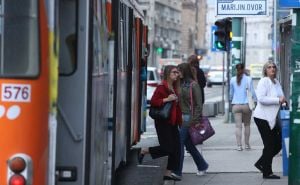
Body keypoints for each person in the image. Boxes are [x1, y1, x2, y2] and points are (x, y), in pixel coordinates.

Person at [138, 65, 182, 181]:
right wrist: (167, 99)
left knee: (177, 149)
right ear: (168, 74)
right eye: (174, 72)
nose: (176, 75)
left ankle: (168, 172)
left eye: (177, 73)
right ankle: (145, 150)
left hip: (173, 122)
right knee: (167, 148)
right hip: (163, 122)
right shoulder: (162, 87)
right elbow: (153, 102)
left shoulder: (174, 87)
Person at [172, 62, 209, 179]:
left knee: (179, 144)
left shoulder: (194, 85)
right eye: (177, 72)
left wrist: (196, 119)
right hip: (181, 117)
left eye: (180, 71)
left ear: (185, 71)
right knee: (189, 145)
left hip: (189, 118)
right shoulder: (180, 84)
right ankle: (202, 165)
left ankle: (177, 171)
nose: (178, 74)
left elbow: (198, 104)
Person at [253, 61, 285, 179]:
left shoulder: (276, 82)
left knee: (278, 144)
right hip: (262, 117)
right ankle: (267, 172)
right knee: (269, 144)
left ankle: (261, 163)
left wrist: (284, 100)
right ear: (265, 70)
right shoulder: (264, 81)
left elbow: (281, 96)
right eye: (269, 67)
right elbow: (261, 99)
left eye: (274, 67)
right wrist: (278, 100)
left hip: (271, 119)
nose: (272, 69)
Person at [229, 63, 257, 151]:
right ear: (244, 69)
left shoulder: (232, 80)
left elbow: (231, 94)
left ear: (236, 70)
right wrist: (255, 101)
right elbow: (252, 92)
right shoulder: (249, 79)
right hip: (246, 105)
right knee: (247, 125)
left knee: (238, 126)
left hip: (236, 106)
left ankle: (239, 146)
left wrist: (232, 101)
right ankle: (247, 145)